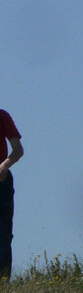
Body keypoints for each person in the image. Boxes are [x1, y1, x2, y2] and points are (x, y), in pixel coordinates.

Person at [0, 110, 22, 279]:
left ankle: (3, 283)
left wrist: (4, 166)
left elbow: (17, 150)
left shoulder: (2, 116)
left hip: (2, 181)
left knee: (3, 234)